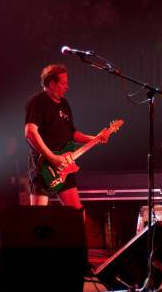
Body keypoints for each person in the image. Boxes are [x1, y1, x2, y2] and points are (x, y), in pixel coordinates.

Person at [24, 63, 109, 215]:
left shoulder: (64, 104)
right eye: (63, 83)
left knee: (77, 214)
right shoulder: (38, 101)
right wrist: (52, 157)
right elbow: (30, 132)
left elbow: (73, 134)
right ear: (51, 84)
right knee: (37, 219)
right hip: (43, 166)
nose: (67, 87)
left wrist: (96, 138)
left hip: (64, 166)